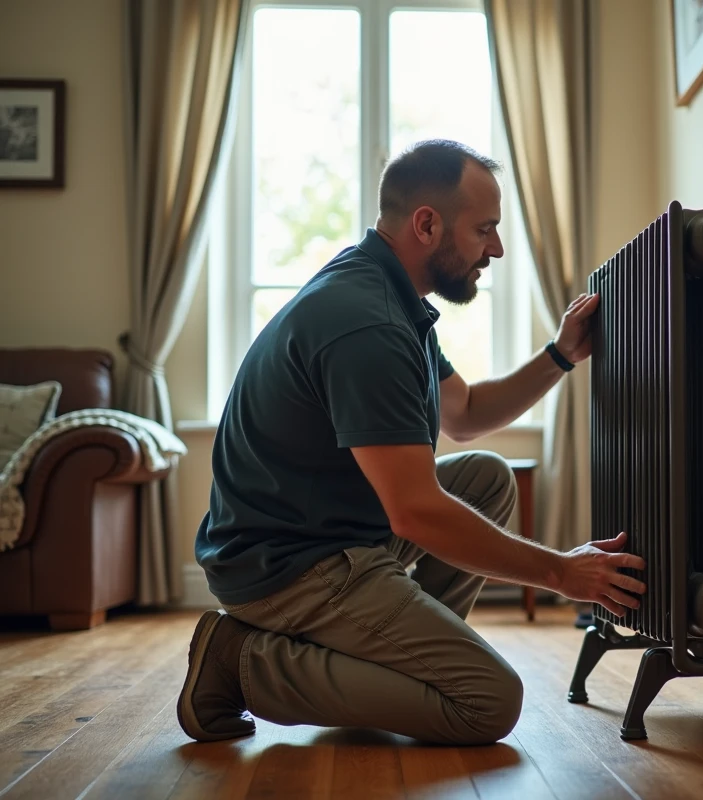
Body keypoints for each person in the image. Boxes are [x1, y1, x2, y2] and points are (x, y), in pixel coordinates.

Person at [176, 139, 646, 746]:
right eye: (485, 230)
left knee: (484, 477)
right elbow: (415, 510)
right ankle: (239, 663)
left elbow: (467, 413)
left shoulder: (390, 293)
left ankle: (395, 659)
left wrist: (561, 355)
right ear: (427, 224)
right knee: (487, 702)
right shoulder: (368, 322)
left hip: (332, 530)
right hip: (289, 566)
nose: (496, 248)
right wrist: (561, 573)